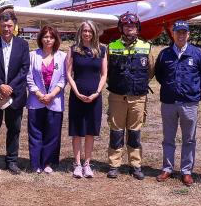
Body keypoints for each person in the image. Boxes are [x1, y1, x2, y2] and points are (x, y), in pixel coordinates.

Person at [154, 20, 201, 186]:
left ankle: (186, 171)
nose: (181, 35)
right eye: (178, 32)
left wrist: (191, 88)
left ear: (188, 34)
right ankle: (167, 168)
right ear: (174, 34)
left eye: (184, 32)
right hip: (169, 102)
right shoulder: (164, 54)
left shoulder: (197, 54)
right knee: (168, 138)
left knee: (189, 139)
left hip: (189, 103)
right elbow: (159, 75)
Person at [105, 13, 155, 180]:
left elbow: (150, 71)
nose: (129, 28)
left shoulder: (146, 47)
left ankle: (135, 165)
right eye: (126, 26)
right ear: (121, 28)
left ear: (137, 28)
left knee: (135, 132)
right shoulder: (112, 46)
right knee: (116, 131)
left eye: (132, 26)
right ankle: (114, 165)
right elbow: (106, 72)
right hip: (117, 96)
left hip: (138, 97)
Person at [0, 10, 30, 176]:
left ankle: (11, 161)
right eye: (3, 26)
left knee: (14, 129)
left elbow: (25, 69)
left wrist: (10, 87)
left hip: (15, 95)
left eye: (9, 25)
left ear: (15, 26)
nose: (6, 29)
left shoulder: (23, 45)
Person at [66, 21, 107, 178]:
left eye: (90, 31)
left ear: (94, 32)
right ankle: (76, 164)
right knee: (77, 131)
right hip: (77, 96)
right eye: (84, 31)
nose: (87, 34)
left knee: (90, 130)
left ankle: (87, 164)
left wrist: (97, 92)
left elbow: (104, 74)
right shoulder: (73, 50)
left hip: (94, 97)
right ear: (80, 32)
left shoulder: (101, 50)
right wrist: (76, 92)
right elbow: (68, 73)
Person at [26, 25, 67, 173]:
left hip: (54, 100)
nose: (48, 39)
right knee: (35, 133)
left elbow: (64, 78)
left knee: (52, 133)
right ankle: (36, 164)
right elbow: (29, 77)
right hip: (36, 101)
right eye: (45, 37)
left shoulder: (62, 56)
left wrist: (52, 95)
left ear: (55, 39)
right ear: (40, 39)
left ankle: (48, 163)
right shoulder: (32, 55)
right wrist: (38, 94)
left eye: (51, 37)